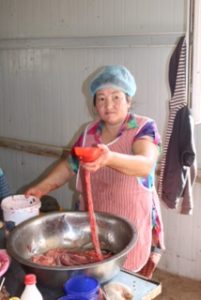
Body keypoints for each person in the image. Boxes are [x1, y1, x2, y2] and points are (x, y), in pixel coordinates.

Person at [26, 65, 165, 278]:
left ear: (128, 100)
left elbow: (144, 164)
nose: (108, 105)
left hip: (132, 223)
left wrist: (109, 158)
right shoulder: (89, 133)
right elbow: (69, 165)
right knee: (95, 278)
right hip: (94, 223)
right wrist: (40, 189)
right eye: (101, 98)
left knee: (125, 282)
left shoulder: (143, 127)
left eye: (116, 97)